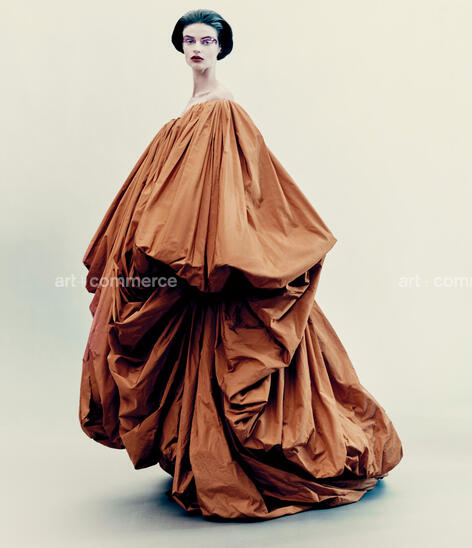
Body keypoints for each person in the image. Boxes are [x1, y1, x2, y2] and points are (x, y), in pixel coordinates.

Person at [79, 9, 403, 521]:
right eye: (189, 40)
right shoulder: (189, 111)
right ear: (180, 47)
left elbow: (236, 191)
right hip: (192, 258)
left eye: (207, 40)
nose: (197, 48)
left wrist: (208, 249)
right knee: (193, 357)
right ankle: (201, 455)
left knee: (235, 361)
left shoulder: (222, 109)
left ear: (221, 48)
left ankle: (241, 462)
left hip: (214, 258)